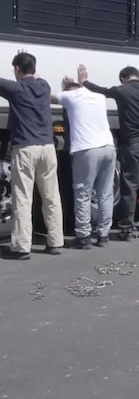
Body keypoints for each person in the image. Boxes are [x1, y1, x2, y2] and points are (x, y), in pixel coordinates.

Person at [78, 65, 139, 240]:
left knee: (129, 188)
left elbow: (100, 90)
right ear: (138, 76)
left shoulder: (122, 91)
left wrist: (83, 81)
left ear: (123, 78)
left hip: (132, 145)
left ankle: (127, 229)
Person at [1, 52, 64, 259]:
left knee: (23, 197)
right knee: (51, 196)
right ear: (34, 69)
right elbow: (37, 76)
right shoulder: (44, 86)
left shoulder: (15, 88)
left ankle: (22, 247)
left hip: (25, 148)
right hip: (47, 147)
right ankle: (55, 242)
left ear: (17, 70)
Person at [51, 69, 116, 249]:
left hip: (87, 150)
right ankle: (103, 235)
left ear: (67, 90)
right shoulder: (98, 97)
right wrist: (81, 81)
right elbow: (82, 90)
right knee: (105, 194)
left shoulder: (70, 97)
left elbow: (47, 97)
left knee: (82, 193)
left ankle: (83, 236)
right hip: (108, 148)